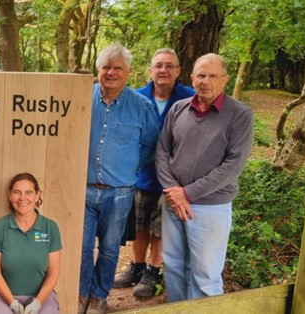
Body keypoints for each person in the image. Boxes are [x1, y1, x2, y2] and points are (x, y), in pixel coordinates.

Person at [155, 53, 253, 302]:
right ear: (192, 78)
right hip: (172, 202)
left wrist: (187, 193)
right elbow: (163, 151)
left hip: (210, 207)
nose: (205, 81)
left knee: (205, 276)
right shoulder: (178, 108)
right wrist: (173, 191)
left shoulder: (239, 115)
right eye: (200, 75)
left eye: (212, 76)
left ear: (224, 80)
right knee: (174, 267)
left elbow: (233, 165)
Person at [78, 43, 160, 314]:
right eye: (105, 67)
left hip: (120, 192)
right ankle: (80, 295)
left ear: (128, 73)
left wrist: (129, 167)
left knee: (111, 248)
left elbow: (150, 144)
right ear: (98, 70)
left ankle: (98, 297)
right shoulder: (81, 99)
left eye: (117, 68)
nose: (110, 73)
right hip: (84, 188)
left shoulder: (142, 106)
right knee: (82, 247)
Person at [114, 48, 195, 298]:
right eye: (159, 65)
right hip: (141, 174)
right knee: (140, 226)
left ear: (178, 71)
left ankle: (152, 271)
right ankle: (136, 267)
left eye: (169, 66)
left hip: (173, 178)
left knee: (161, 228)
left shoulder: (189, 98)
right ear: (151, 70)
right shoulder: (138, 98)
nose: (163, 70)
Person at [0, 173, 62, 314]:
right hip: (5, 296)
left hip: (41, 297)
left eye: (29, 192)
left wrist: (38, 303)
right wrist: (13, 303)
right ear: (10, 195)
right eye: (17, 192)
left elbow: (54, 272)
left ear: (37, 196)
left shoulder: (50, 228)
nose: (22, 198)